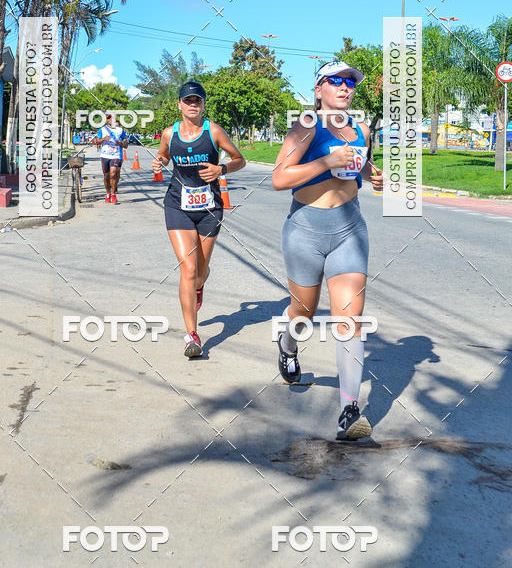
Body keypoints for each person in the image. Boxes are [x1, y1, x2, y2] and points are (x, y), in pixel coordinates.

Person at [272, 60, 383, 441]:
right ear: (318, 89)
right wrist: (325, 161)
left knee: (349, 321)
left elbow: (359, 165)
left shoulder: (363, 129)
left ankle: (349, 411)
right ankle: (288, 343)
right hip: (305, 229)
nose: (344, 87)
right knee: (302, 312)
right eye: (335, 81)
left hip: (349, 229)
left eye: (350, 82)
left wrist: (373, 174)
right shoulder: (306, 127)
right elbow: (278, 178)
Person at [152, 80, 246, 358]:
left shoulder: (214, 131)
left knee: (201, 271)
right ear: (179, 104)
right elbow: (163, 156)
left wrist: (222, 169)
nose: (193, 105)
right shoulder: (170, 133)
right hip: (177, 204)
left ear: (203, 104)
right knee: (188, 269)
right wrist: (159, 162)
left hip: (209, 206)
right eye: (188, 100)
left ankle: (200, 286)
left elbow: (240, 159)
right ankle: (192, 335)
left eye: (198, 101)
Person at [98, 113, 128, 203]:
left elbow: (126, 144)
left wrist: (121, 143)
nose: (110, 120)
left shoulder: (120, 130)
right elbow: (96, 141)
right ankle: (108, 193)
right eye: (109, 119)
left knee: (113, 173)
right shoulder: (102, 130)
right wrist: (103, 139)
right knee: (106, 176)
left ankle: (113, 193)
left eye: (112, 119)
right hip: (105, 155)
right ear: (107, 120)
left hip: (116, 155)